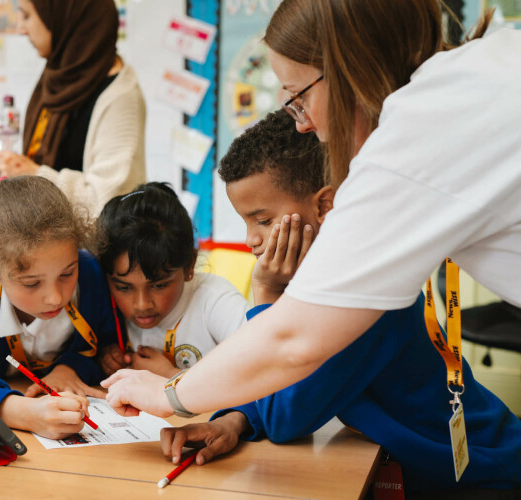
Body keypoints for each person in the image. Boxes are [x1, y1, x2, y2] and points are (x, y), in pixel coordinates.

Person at [103, 1, 520, 413]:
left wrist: (168, 395)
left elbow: (292, 347)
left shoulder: (416, 133)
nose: (302, 123)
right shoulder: (474, 71)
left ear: (348, 71)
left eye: (299, 97)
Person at [159, 110, 521, 496]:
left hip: (487, 477)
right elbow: (278, 381)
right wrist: (234, 422)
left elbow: (286, 419)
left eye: (262, 220)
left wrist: (265, 294)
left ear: (325, 205)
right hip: (434, 472)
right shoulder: (326, 280)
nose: (251, 239)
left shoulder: (362, 294)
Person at [0, 176, 118, 439]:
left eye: (66, 274)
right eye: (31, 283)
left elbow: (107, 350)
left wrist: (70, 369)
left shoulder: (88, 272)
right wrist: (20, 412)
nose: (55, 297)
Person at [0, 0, 146, 216]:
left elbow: (109, 204)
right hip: (48, 243)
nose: (21, 29)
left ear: (66, 17)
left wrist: (34, 175)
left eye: (27, 16)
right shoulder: (60, 77)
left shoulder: (120, 96)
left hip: (88, 249)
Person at [97, 183, 249, 378]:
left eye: (159, 285)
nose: (142, 304)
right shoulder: (104, 303)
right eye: (124, 288)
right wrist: (108, 357)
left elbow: (265, 368)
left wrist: (170, 376)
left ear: (189, 266)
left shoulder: (215, 300)